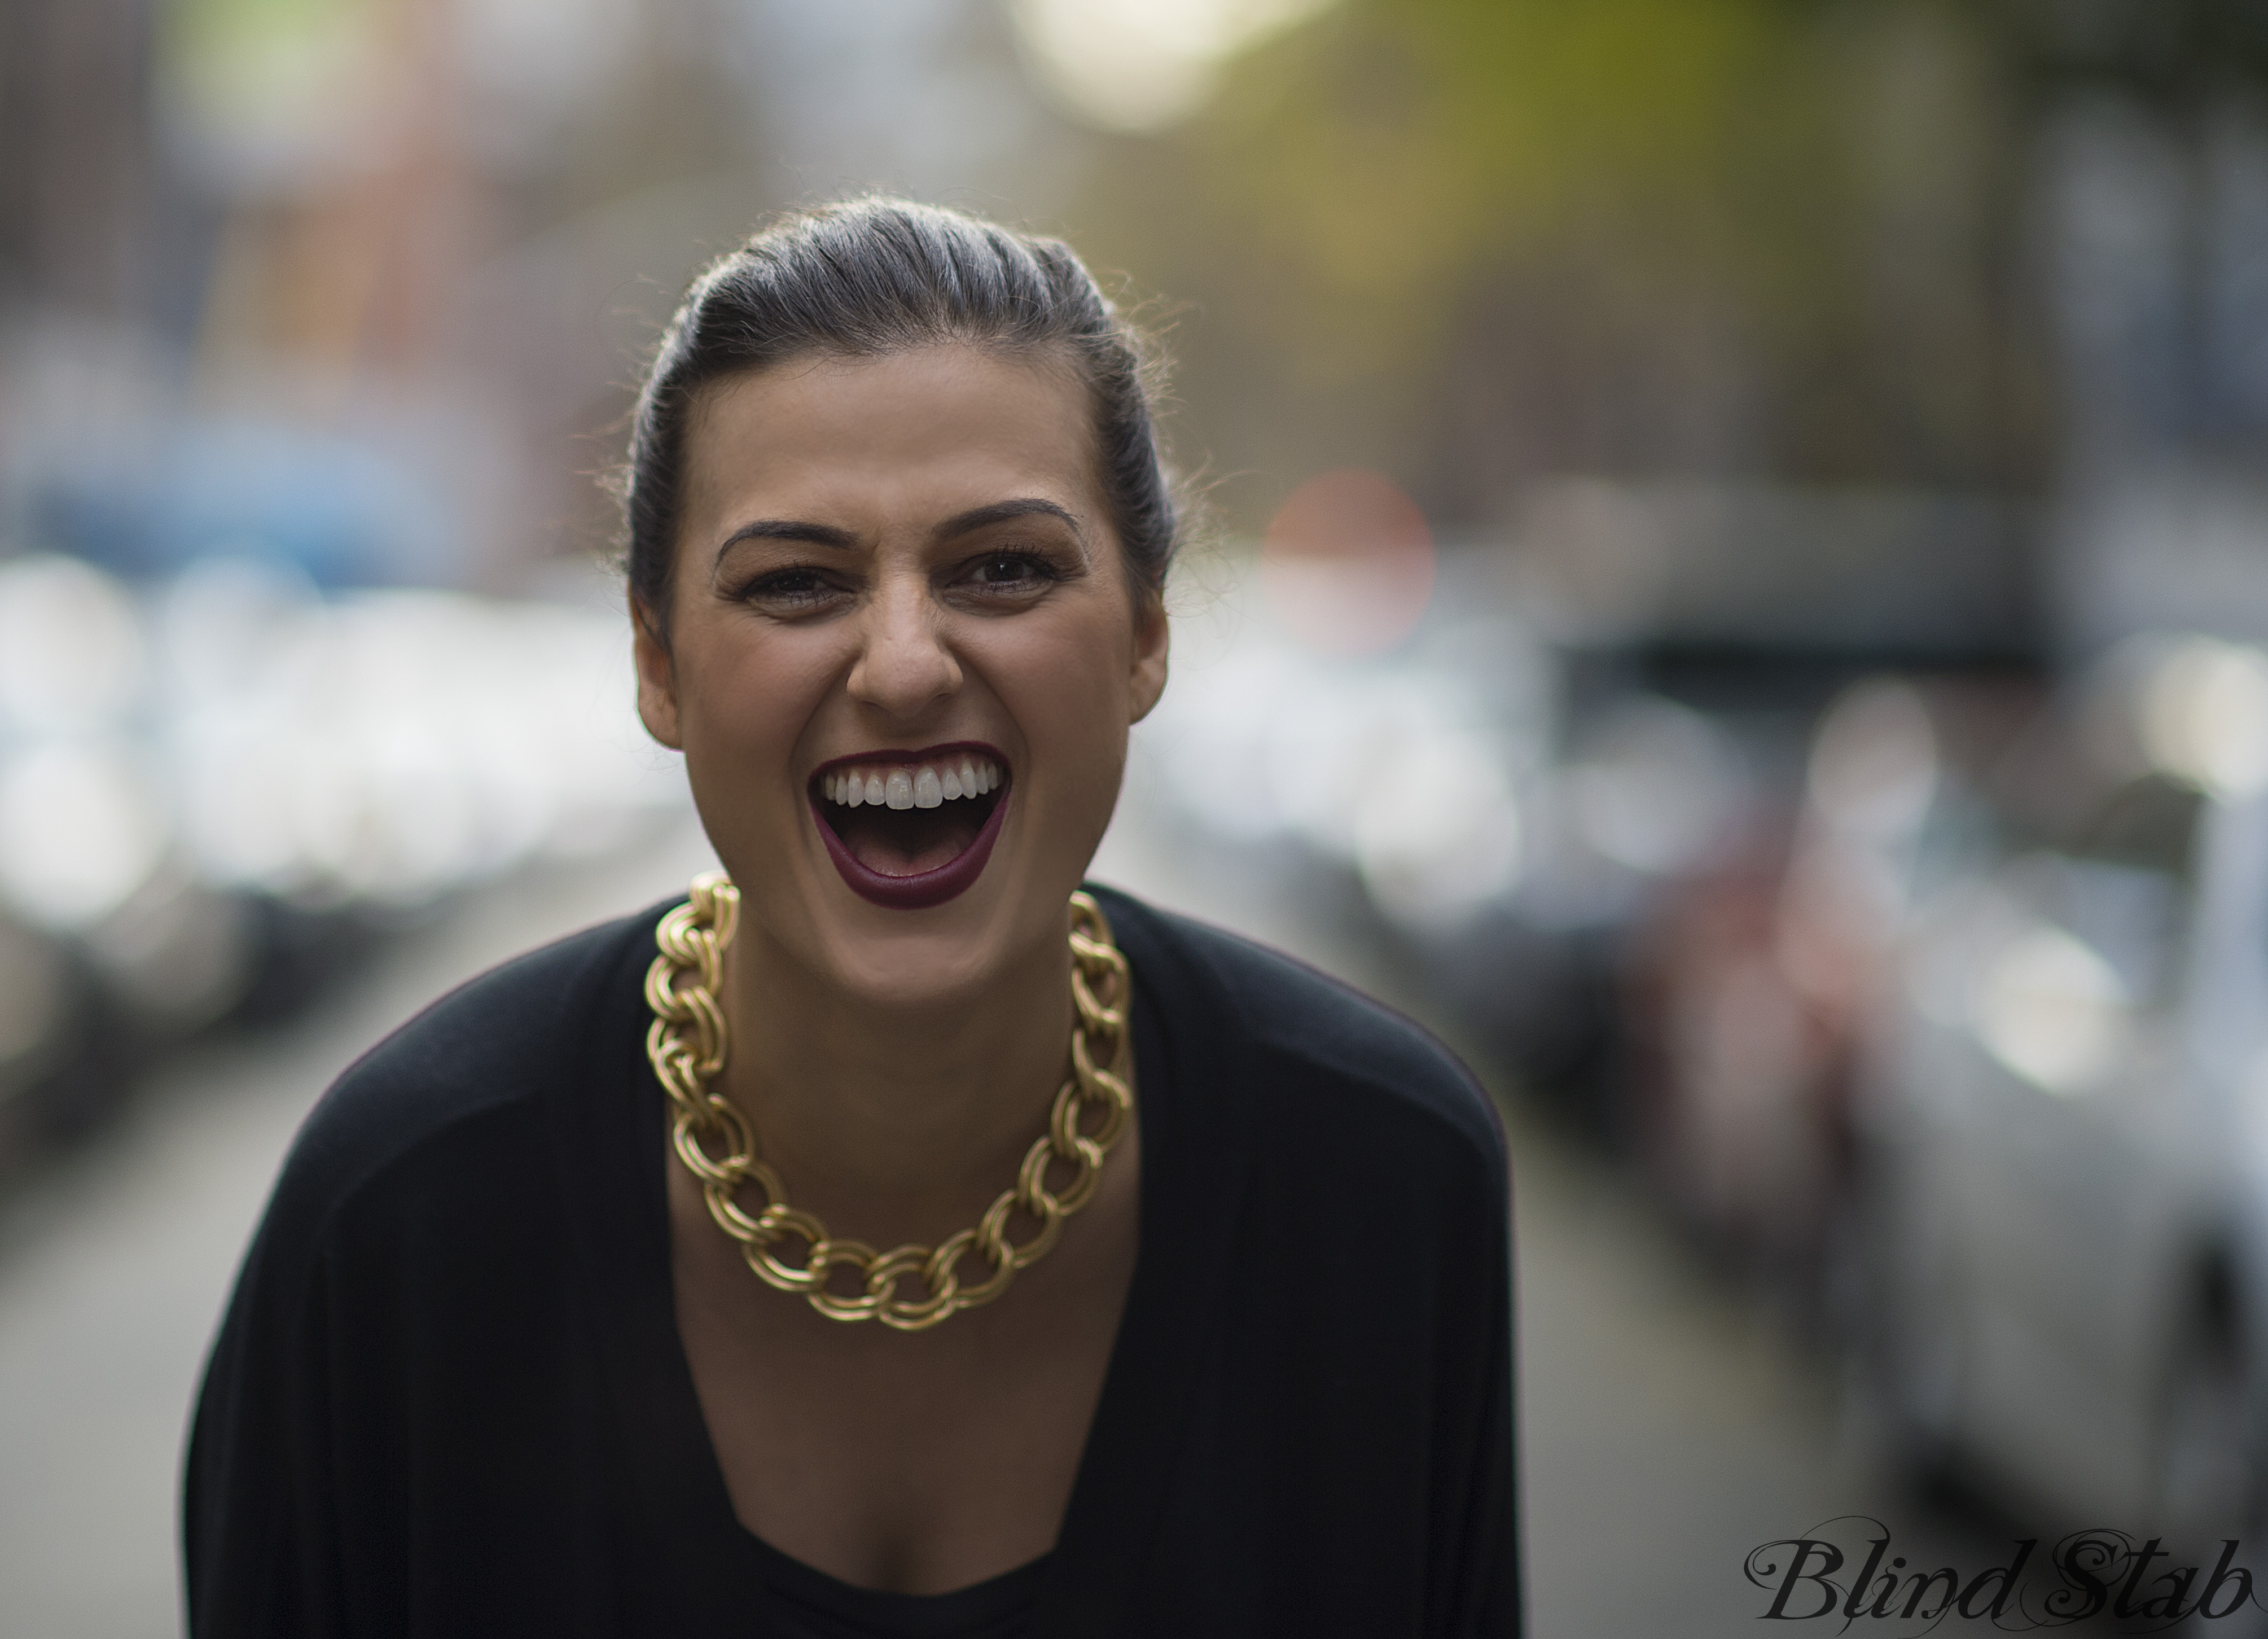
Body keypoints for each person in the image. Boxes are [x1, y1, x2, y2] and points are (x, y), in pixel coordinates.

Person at [183, 198, 1521, 1637]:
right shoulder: (400, 1216)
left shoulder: (1386, 1182)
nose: (899, 663)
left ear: (1146, 630)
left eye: (1002, 566)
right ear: (657, 663)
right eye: (797, 582)